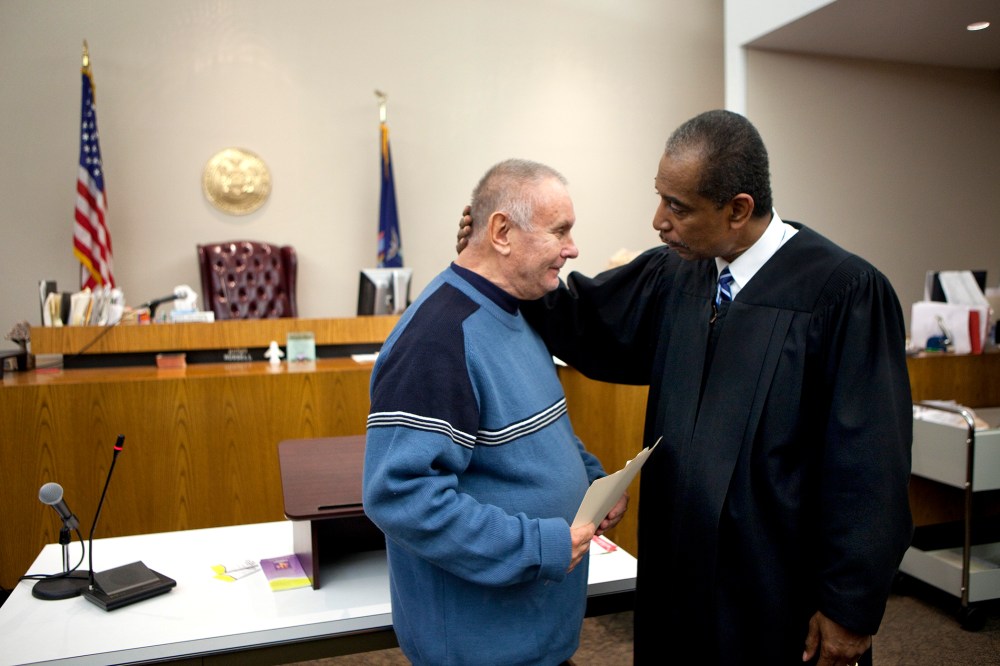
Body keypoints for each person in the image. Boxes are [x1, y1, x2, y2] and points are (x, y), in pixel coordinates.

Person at [457, 110, 913, 665]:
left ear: (738, 209)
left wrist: (850, 607)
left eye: (678, 207)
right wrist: (504, 261)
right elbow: (586, 322)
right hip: (677, 580)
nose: (658, 220)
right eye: (660, 197)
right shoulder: (678, 274)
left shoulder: (843, 294)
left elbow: (870, 465)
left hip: (773, 594)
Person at [364, 158, 628, 666]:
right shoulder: (439, 339)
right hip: (480, 646)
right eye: (560, 232)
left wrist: (592, 482)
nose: (573, 249)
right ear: (502, 232)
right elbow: (401, 497)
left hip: (534, 632)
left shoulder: (514, 309)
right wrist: (540, 546)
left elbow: (536, 430)